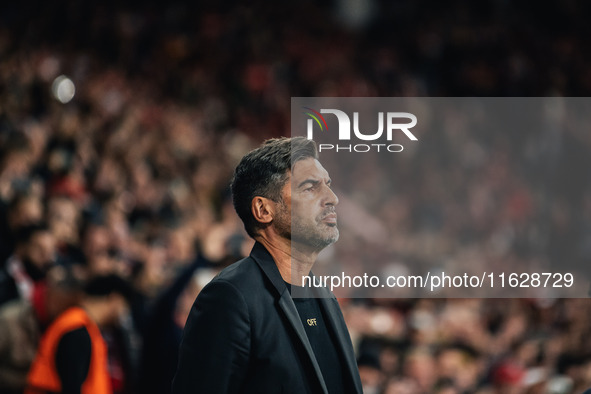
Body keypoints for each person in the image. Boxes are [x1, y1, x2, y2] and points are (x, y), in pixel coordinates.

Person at [172, 137, 363, 394]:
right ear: (263, 210)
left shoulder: (324, 295)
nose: (332, 198)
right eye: (310, 187)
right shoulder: (229, 298)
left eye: (328, 185)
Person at [25, 274, 133, 394]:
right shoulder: (77, 330)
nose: (124, 314)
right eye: (125, 306)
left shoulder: (84, 327)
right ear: (115, 299)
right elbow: (71, 386)